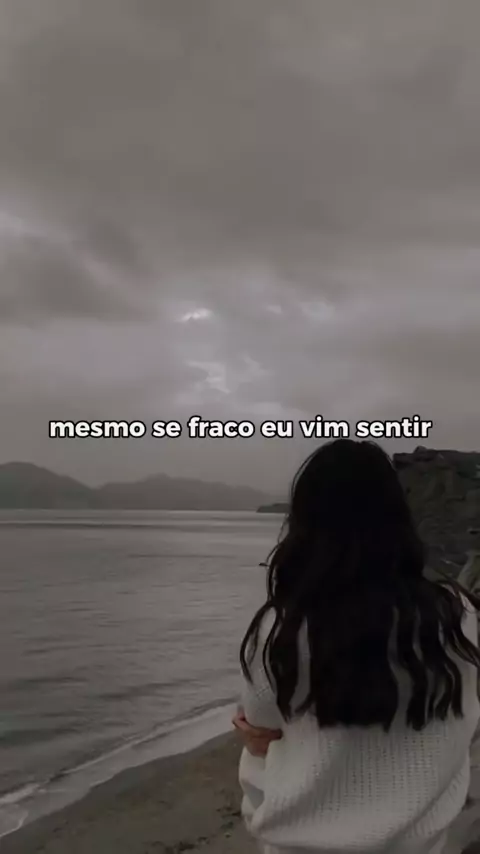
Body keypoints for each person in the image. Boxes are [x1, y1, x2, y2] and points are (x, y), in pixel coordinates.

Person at [233, 439, 480, 854]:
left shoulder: (284, 628)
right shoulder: (458, 616)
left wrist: (256, 742)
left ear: (304, 525)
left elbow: (260, 728)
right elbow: (464, 713)